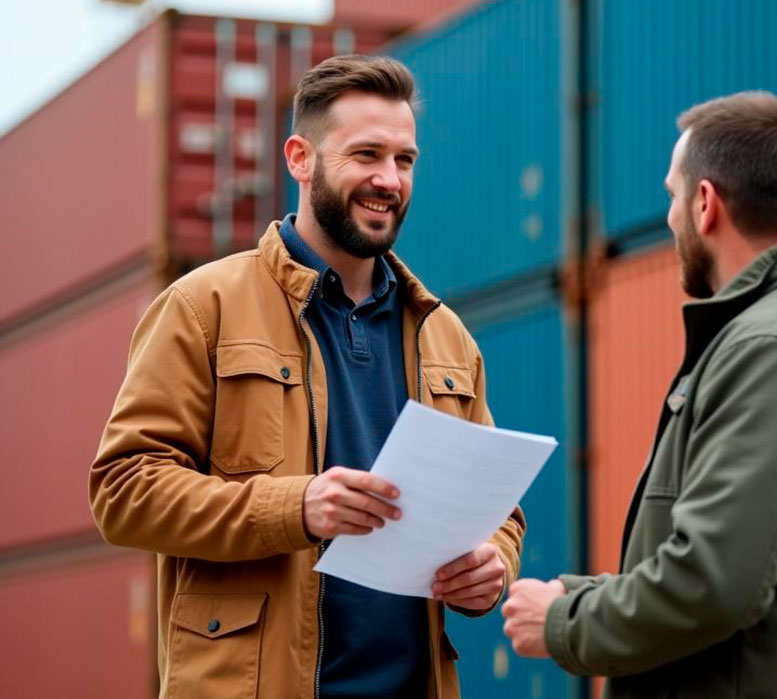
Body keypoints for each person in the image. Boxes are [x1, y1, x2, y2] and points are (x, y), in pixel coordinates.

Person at [90, 54, 524, 699]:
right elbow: (124, 492)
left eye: (405, 160)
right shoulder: (202, 307)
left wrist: (493, 565)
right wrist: (295, 506)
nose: (389, 179)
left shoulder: (447, 336)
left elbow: (499, 511)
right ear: (300, 158)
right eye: (366, 155)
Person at [502, 91, 777, 697]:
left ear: (706, 203)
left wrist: (563, 624)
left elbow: (712, 583)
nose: (669, 218)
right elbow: (761, 568)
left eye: (671, 196)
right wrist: (583, 594)